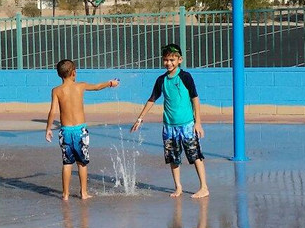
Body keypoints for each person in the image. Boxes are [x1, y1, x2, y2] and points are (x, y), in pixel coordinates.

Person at [130, 43, 210, 199]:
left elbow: (195, 98)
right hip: (169, 127)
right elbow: (152, 99)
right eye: (166, 60)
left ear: (180, 60)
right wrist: (140, 118)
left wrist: (198, 122)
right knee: (173, 158)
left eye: (172, 60)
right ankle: (178, 187)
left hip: (187, 125)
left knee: (195, 156)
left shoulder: (185, 77)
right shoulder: (161, 80)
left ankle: (204, 187)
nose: (169, 63)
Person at [45, 59, 119, 200]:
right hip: (80, 132)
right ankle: (83, 193)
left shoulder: (56, 91)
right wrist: (110, 83)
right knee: (82, 163)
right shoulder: (80, 86)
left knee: (67, 163)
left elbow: (52, 111)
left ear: (59, 74)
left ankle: (65, 194)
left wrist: (48, 128)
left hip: (65, 131)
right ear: (74, 73)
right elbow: (97, 87)